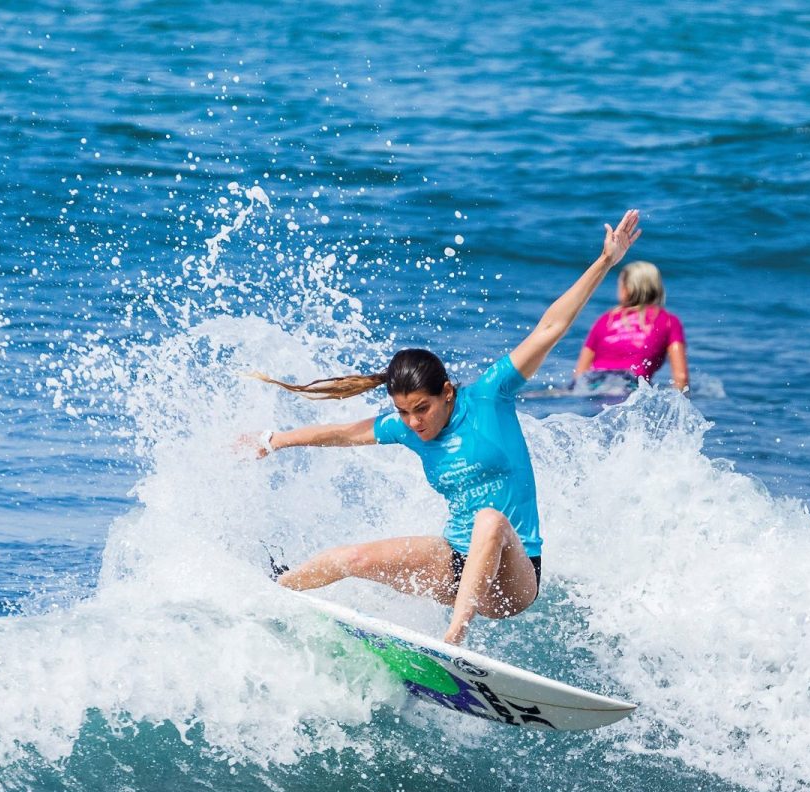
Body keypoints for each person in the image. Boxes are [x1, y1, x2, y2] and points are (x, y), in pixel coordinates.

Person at [239, 209, 643, 646]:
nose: (414, 422)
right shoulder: (407, 428)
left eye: (422, 408)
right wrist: (271, 440)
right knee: (350, 557)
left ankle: (454, 640)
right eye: (404, 412)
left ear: (447, 392)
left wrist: (605, 261)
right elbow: (347, 432)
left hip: (513, 580)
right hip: (453, 565)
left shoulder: (491, 395)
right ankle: (270, 593)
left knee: (489, 520)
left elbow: (550, 327)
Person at [570, 260, 689, 393]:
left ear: (627, 288)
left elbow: (579, 373)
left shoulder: (605, 320)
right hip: (630, 384)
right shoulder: (669, 321)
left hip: (593, 382)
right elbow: (681, 377)